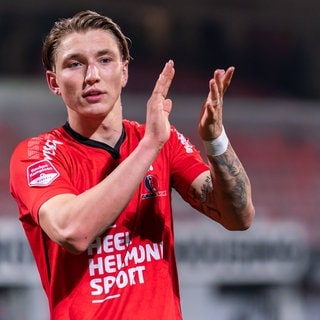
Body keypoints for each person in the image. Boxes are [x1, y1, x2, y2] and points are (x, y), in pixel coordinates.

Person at [9, 10, 255, 320]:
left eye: (105, 60)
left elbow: (239, 217)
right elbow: (72, 231)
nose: (92, 76)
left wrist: (215, 139)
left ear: (124, 72)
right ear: (53, 81)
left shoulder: (163, 141)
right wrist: (150, 145)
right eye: (74, 64)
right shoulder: (36, 154)